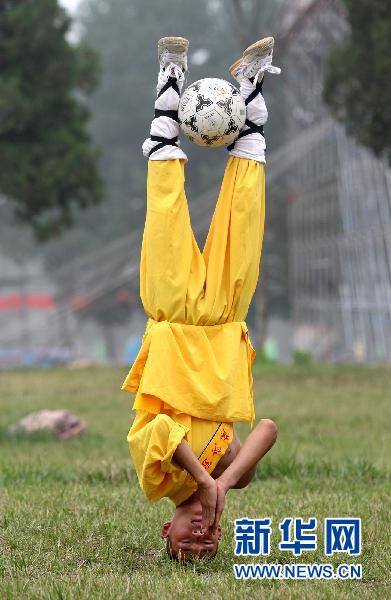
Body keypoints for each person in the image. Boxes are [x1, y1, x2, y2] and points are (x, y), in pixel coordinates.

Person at [122, 35, 280, 561]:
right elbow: (268, 431)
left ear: (165, 532)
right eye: (209, 543)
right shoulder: (228, 474)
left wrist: (201, 482)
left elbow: (162, 429)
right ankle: (251, 94)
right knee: (246, 215)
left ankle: (169, 90)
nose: (200, 536)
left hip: (172, 314)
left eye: (186, 542)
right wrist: (226, 482)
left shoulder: (158, 480)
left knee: (165, 209)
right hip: (223, 324)